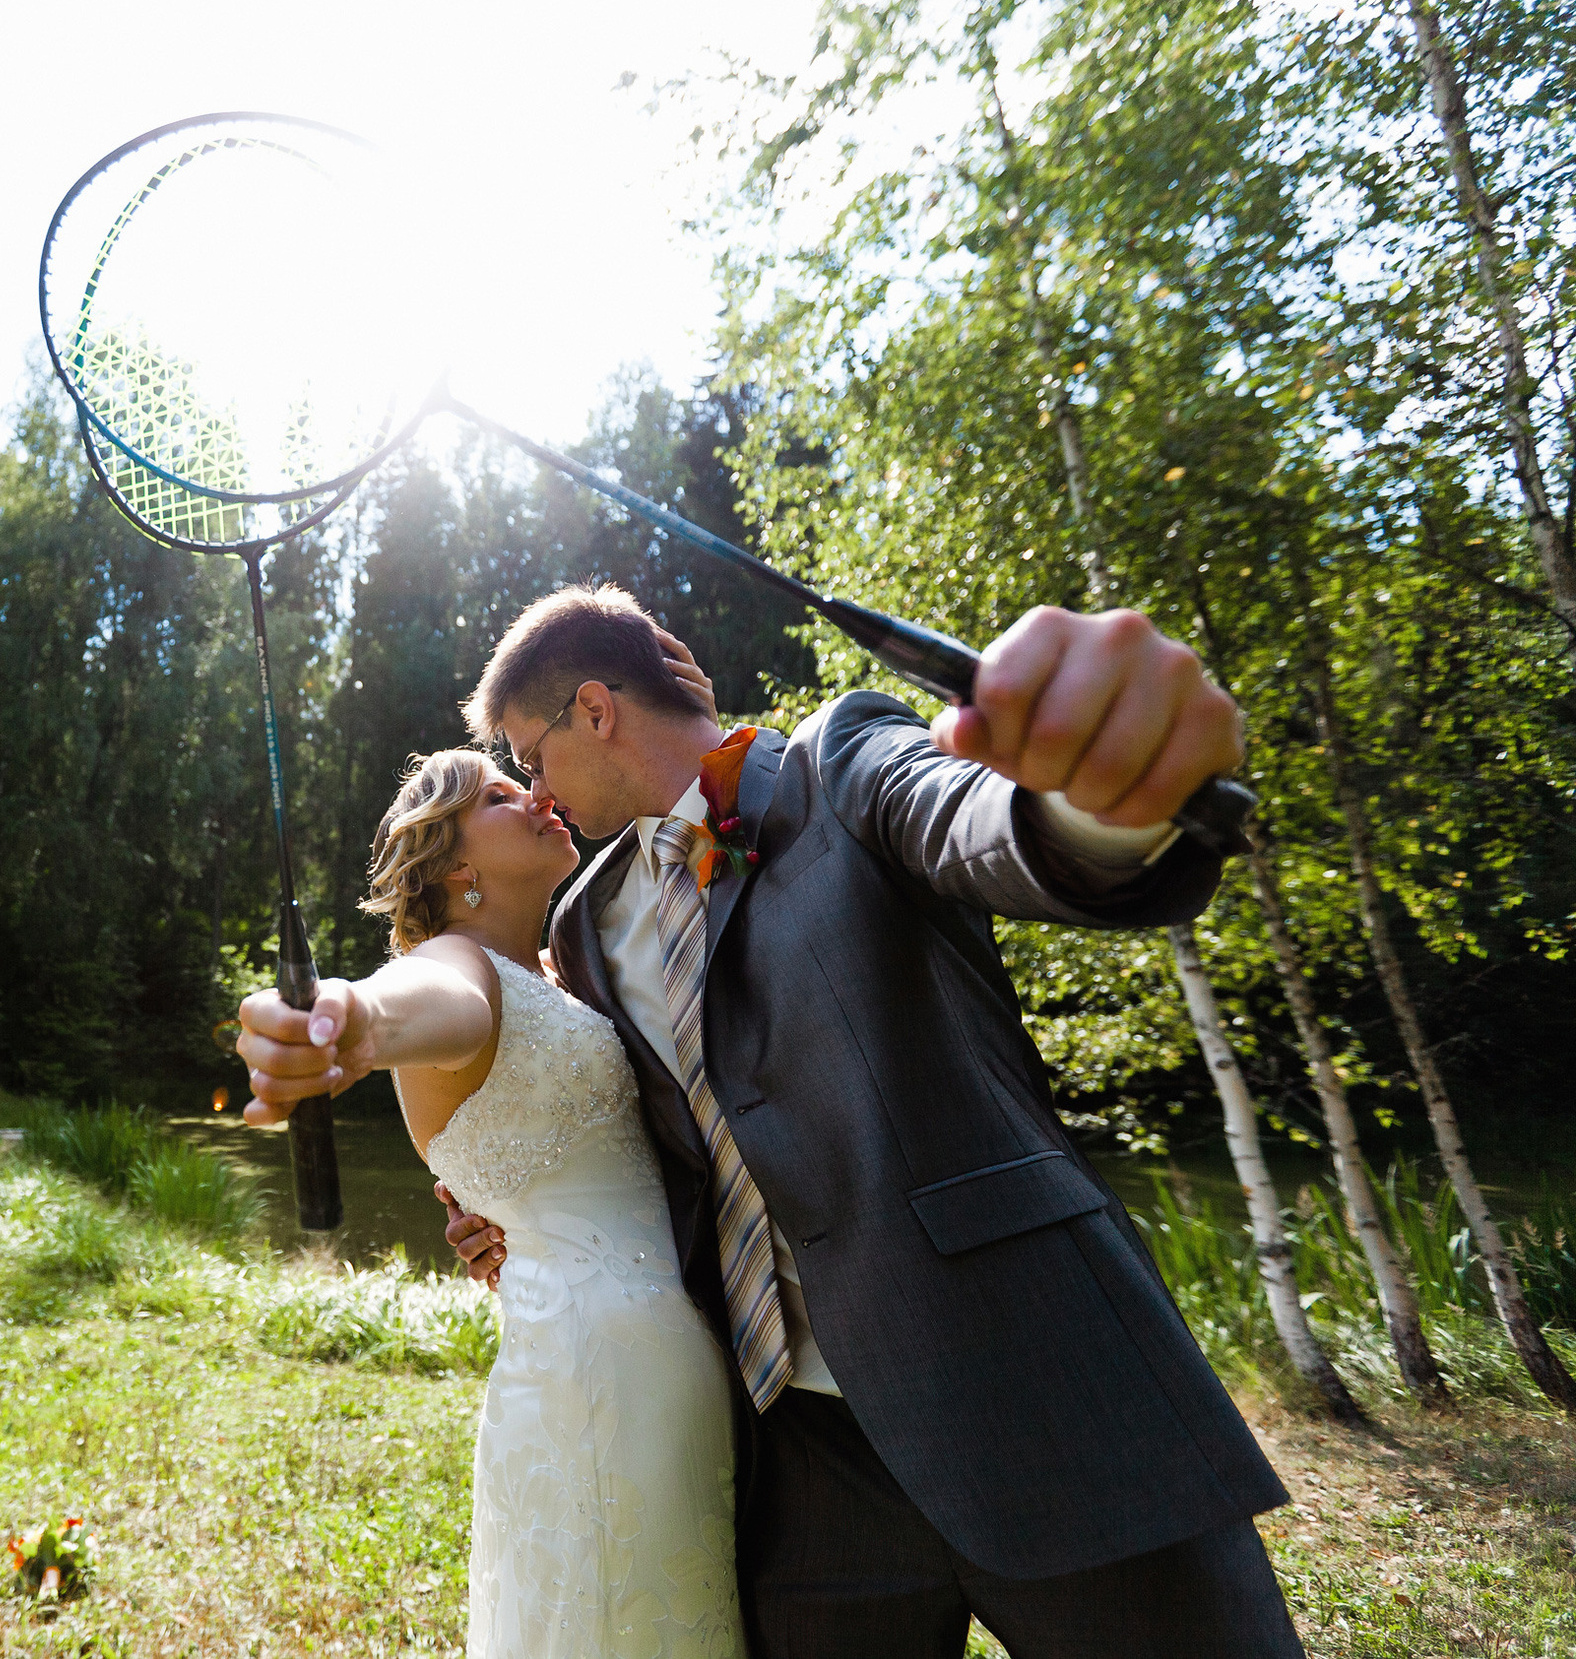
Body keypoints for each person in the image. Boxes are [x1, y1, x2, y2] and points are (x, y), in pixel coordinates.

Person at [237, 586, 1306, 1659]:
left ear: (595, 711)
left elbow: (979, 821)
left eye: (532, 754)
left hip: (1037, 1389)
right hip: (791, 1460)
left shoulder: (835, 761)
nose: (538, 789)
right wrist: (509, 1210)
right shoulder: (584, 926)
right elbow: (624, 1115)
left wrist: (1104, 798)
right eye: (514, 775)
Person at [242, 631, 744, 1658]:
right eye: (499, 794)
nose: (534, 792)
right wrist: (345, 1019)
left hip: (673, 1352)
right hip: (596, 1373)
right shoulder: (457, 968)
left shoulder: (577, 965)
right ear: (457, 861)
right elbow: (403, 1006)